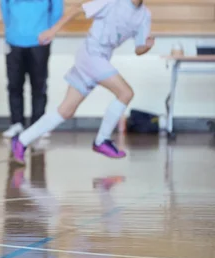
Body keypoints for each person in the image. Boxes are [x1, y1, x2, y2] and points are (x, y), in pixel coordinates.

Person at [12, 0, 153, 164]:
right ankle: (102, 140)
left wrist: (147, 47)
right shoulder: (112, 2)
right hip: (90, 54)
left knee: (65, 110)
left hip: (101, 58)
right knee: (125, 93)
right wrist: (52, 31)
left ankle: (21, 140)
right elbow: (77, 8)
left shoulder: (145, 15)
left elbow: (139, 49)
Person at [0, 0, 63, 138]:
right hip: (14, 40)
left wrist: (49, 30)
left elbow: (57, 9)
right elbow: (4, 6)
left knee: (39, 85)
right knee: (14, 85)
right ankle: (16, 123)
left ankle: (39, 124)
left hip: (40, 41)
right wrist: (11, 28)